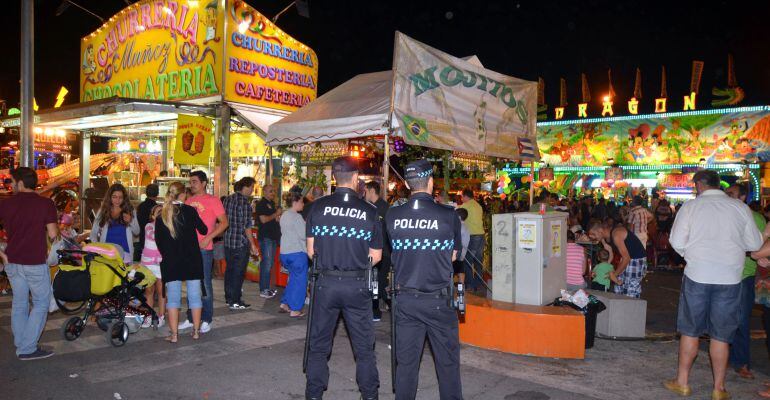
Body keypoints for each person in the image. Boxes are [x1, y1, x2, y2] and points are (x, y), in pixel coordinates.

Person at [664, 170, 763, 399]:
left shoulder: (691, 207)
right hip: (730, 278)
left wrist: (693, 255)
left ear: (699, 185)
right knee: (721, 335)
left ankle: (683, 382)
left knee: (690, 330)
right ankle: (718, 388)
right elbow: (754, 242)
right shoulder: (739, 207)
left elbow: (676, 241)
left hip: (698, 274)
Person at [305, 156, 383, 400]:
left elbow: (311, 251)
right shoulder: (369, 211)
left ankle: (314, 394)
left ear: (333, 178)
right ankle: (370, 395)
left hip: (325, 283)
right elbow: (377, 256)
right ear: (356, 178)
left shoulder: (317, 207)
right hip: (356, 284)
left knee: (318, 344)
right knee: (363, 347)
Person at [386, 159, 463, 399]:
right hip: (438, 299)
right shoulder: (448, 215)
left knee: (407, 365)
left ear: (409, 185)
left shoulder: (392, 215)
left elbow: (394, 251)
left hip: (405, 299)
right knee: (448, 365)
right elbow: (453, 256)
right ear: (430, 182)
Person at [0, 167, 59, 360]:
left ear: (21, 182)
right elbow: (53, 234)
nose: (11, 184)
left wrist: (1, 253)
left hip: (12, 260)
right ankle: (27, 348)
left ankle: (22, 342)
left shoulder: (6, 204)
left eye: (13, 181)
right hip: (34, 261)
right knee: (41, 302)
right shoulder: (45, 203)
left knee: (20, 302)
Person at [155, 182, 208, 343]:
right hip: (192, 259)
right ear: (183, 195)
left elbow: (159, 242)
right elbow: (204, 230)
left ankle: (174, 335)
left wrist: (168, 254)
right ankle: (196, 331)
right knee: (194, 297)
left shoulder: (162, 215)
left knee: (173, 299)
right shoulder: (191, 211)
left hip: (172, 261)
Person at [179, 171, 228, 334]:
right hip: (188, 248)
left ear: (204, 183)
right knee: (191, 284)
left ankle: (206, 318)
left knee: (204, 284)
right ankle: (192, 317)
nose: (191, 185)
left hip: (204, 249)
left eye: (195, 182)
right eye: (190, 182)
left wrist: (209, 238)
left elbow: (224, 223)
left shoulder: (213, 200)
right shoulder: (188, 201)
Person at [725, 183, 766, 380]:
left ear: (742, 197)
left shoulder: (755, 218)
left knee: (740, 320)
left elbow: (757, 247)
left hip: (743, 275)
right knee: (721, 318)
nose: (727, 197)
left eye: (731, 194)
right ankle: (724, 356)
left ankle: (741, 362)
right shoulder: (723, 215)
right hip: (723, 274)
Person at [588, 218, 647, 298]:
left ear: (600, 230)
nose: (592, 237)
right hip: (625, 258)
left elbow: (626, 258)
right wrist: (605, 268)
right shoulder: (603, 236)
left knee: (630, 290)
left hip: (636, 260)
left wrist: (614, 274)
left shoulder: (616, 234)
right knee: (618, 288)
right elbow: (609, 251)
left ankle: (632, 308)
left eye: (593, 234)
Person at [223, 177, 257, 310]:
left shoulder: (227, 199)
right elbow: (247, 226)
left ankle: (228, 297)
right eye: (252, 187)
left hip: (228, 240)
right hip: (240, 242)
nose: (252, 190)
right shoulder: (244, 203)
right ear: (246, 187)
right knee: (238, 272)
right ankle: (235, 300)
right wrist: (252, 244)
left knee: (229, 270)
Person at [90, 183, 140, 262]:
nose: (117, 200)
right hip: (107, 253)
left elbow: (137, 231)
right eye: (114, 197)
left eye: (120, 197)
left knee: (124, 274)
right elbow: (93, 233)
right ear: (109, 197)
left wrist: (130, 221)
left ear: (124, 198)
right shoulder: (103, 210)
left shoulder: (130, 210)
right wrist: (98, 247)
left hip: (125, 253)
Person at [364, 180, 390, 321]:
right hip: (369, 251)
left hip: (384, 253)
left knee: (378, 282)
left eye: (366, 191)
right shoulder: (366, 207)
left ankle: (384, 307)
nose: (364, 194)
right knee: (373, 282)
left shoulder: (385, 208)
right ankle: (375, 309)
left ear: (372, 191)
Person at [278, 192, 307, 317]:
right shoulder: (297, 217)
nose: (303, 204)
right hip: (297, 253)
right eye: (301, 201)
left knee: (293, 279)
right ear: (295, 203)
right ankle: (295, 309)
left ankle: (285, 303)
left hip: (285, 252)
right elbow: (303, 235)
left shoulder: (284, 215)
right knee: (300, 282)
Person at [255, 184, 281, 299]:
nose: (273, 193)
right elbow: (263, 219)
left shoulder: (272, 204)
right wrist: (276, 214)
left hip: (273, 237)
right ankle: (264, 289)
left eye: (274, 191)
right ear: (264, 191)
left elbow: (274, 219)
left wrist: (277, 216)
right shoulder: (261, 204)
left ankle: (266, 287)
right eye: (270, 191)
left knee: (268, 263)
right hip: (266, 238)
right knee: (267, 263)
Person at [140, 205, 165, 328]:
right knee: (149, 291)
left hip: (161, 263)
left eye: (163, 211)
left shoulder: (167, 227)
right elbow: (154, 236)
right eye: (158, 212)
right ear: (153, 215)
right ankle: (148, 316)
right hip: (148, 264)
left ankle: (161, 316)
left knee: (161, 291)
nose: (160, 213)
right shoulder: (149, 226)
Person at [459, 188, 484, 291]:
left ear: (465, 196)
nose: (461, 198)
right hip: (481, 235)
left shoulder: (465, 206)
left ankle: (470, 284)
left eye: (462, 196)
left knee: (467, 261)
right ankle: (479, 283)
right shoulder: (478, 205)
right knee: (478, 261)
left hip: (473, 237)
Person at [134, 183, 159, 262]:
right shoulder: (157, 209)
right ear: (157, 194)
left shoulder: (141, 206)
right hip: (153, 241)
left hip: (141, 237)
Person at [455, 208, 471, 287]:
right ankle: (461, 287)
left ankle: (449, 288)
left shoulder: (459, 227)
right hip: (462, 253)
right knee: (460, 269)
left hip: (458, 253)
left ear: (459, 217)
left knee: (451, 270)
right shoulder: (465, 226)